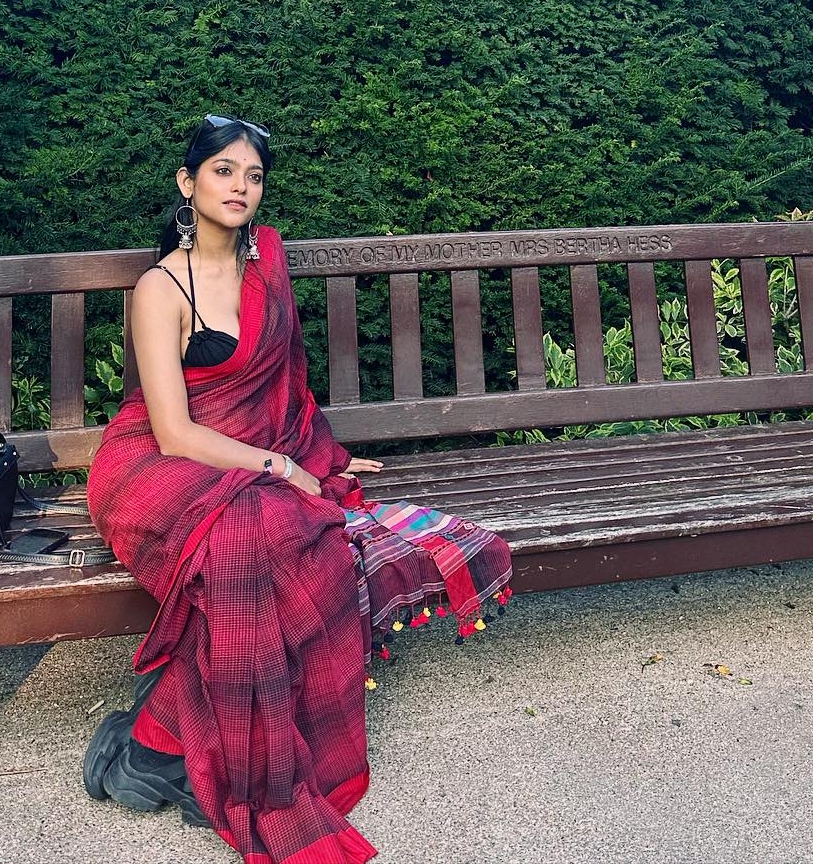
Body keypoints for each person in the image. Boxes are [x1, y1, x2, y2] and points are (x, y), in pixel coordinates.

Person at [84, 114, 514, 863]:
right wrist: (284, 467)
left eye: (252, 176)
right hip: (156, 465)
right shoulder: (160, 288)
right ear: (187, 183)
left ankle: (160, 743)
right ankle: (187, 750)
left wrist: (319, 455)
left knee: (282, 539)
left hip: (245, 461)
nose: (239, 187)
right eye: (223, 171)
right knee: (264, 527)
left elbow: (285, 390)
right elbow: (175, 431)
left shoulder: (266, 269)